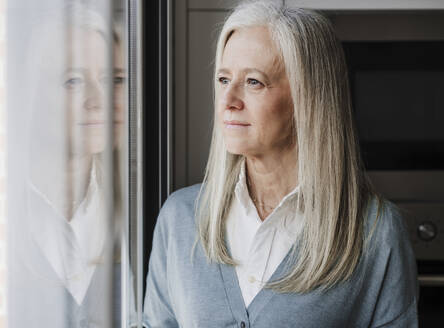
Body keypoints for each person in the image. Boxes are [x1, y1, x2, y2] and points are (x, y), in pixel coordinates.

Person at [143, 1, 419, 327]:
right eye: (223, 79)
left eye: (253, 82)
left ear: (308, 97)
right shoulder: (179, 218)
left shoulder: (375, 232)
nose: (228, 101)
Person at [8, 4, 127, 327]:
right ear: (31, 95)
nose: (99, 98)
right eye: (73, 81)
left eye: (114, 79)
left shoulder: (141, 216)